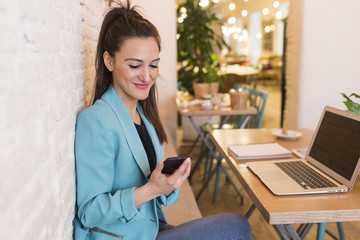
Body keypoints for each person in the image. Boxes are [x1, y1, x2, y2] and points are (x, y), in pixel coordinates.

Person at [74, 1, 252, 239]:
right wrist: (151, 189)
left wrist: (169, 183)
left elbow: (155, 192)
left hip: (151, 227)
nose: (147, 76)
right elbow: (89, 212)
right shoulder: (96, 120)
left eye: (154, 65)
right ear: (109, 61)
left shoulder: (144, 116)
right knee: (236, 227)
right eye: (135, 65)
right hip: (126, 236)